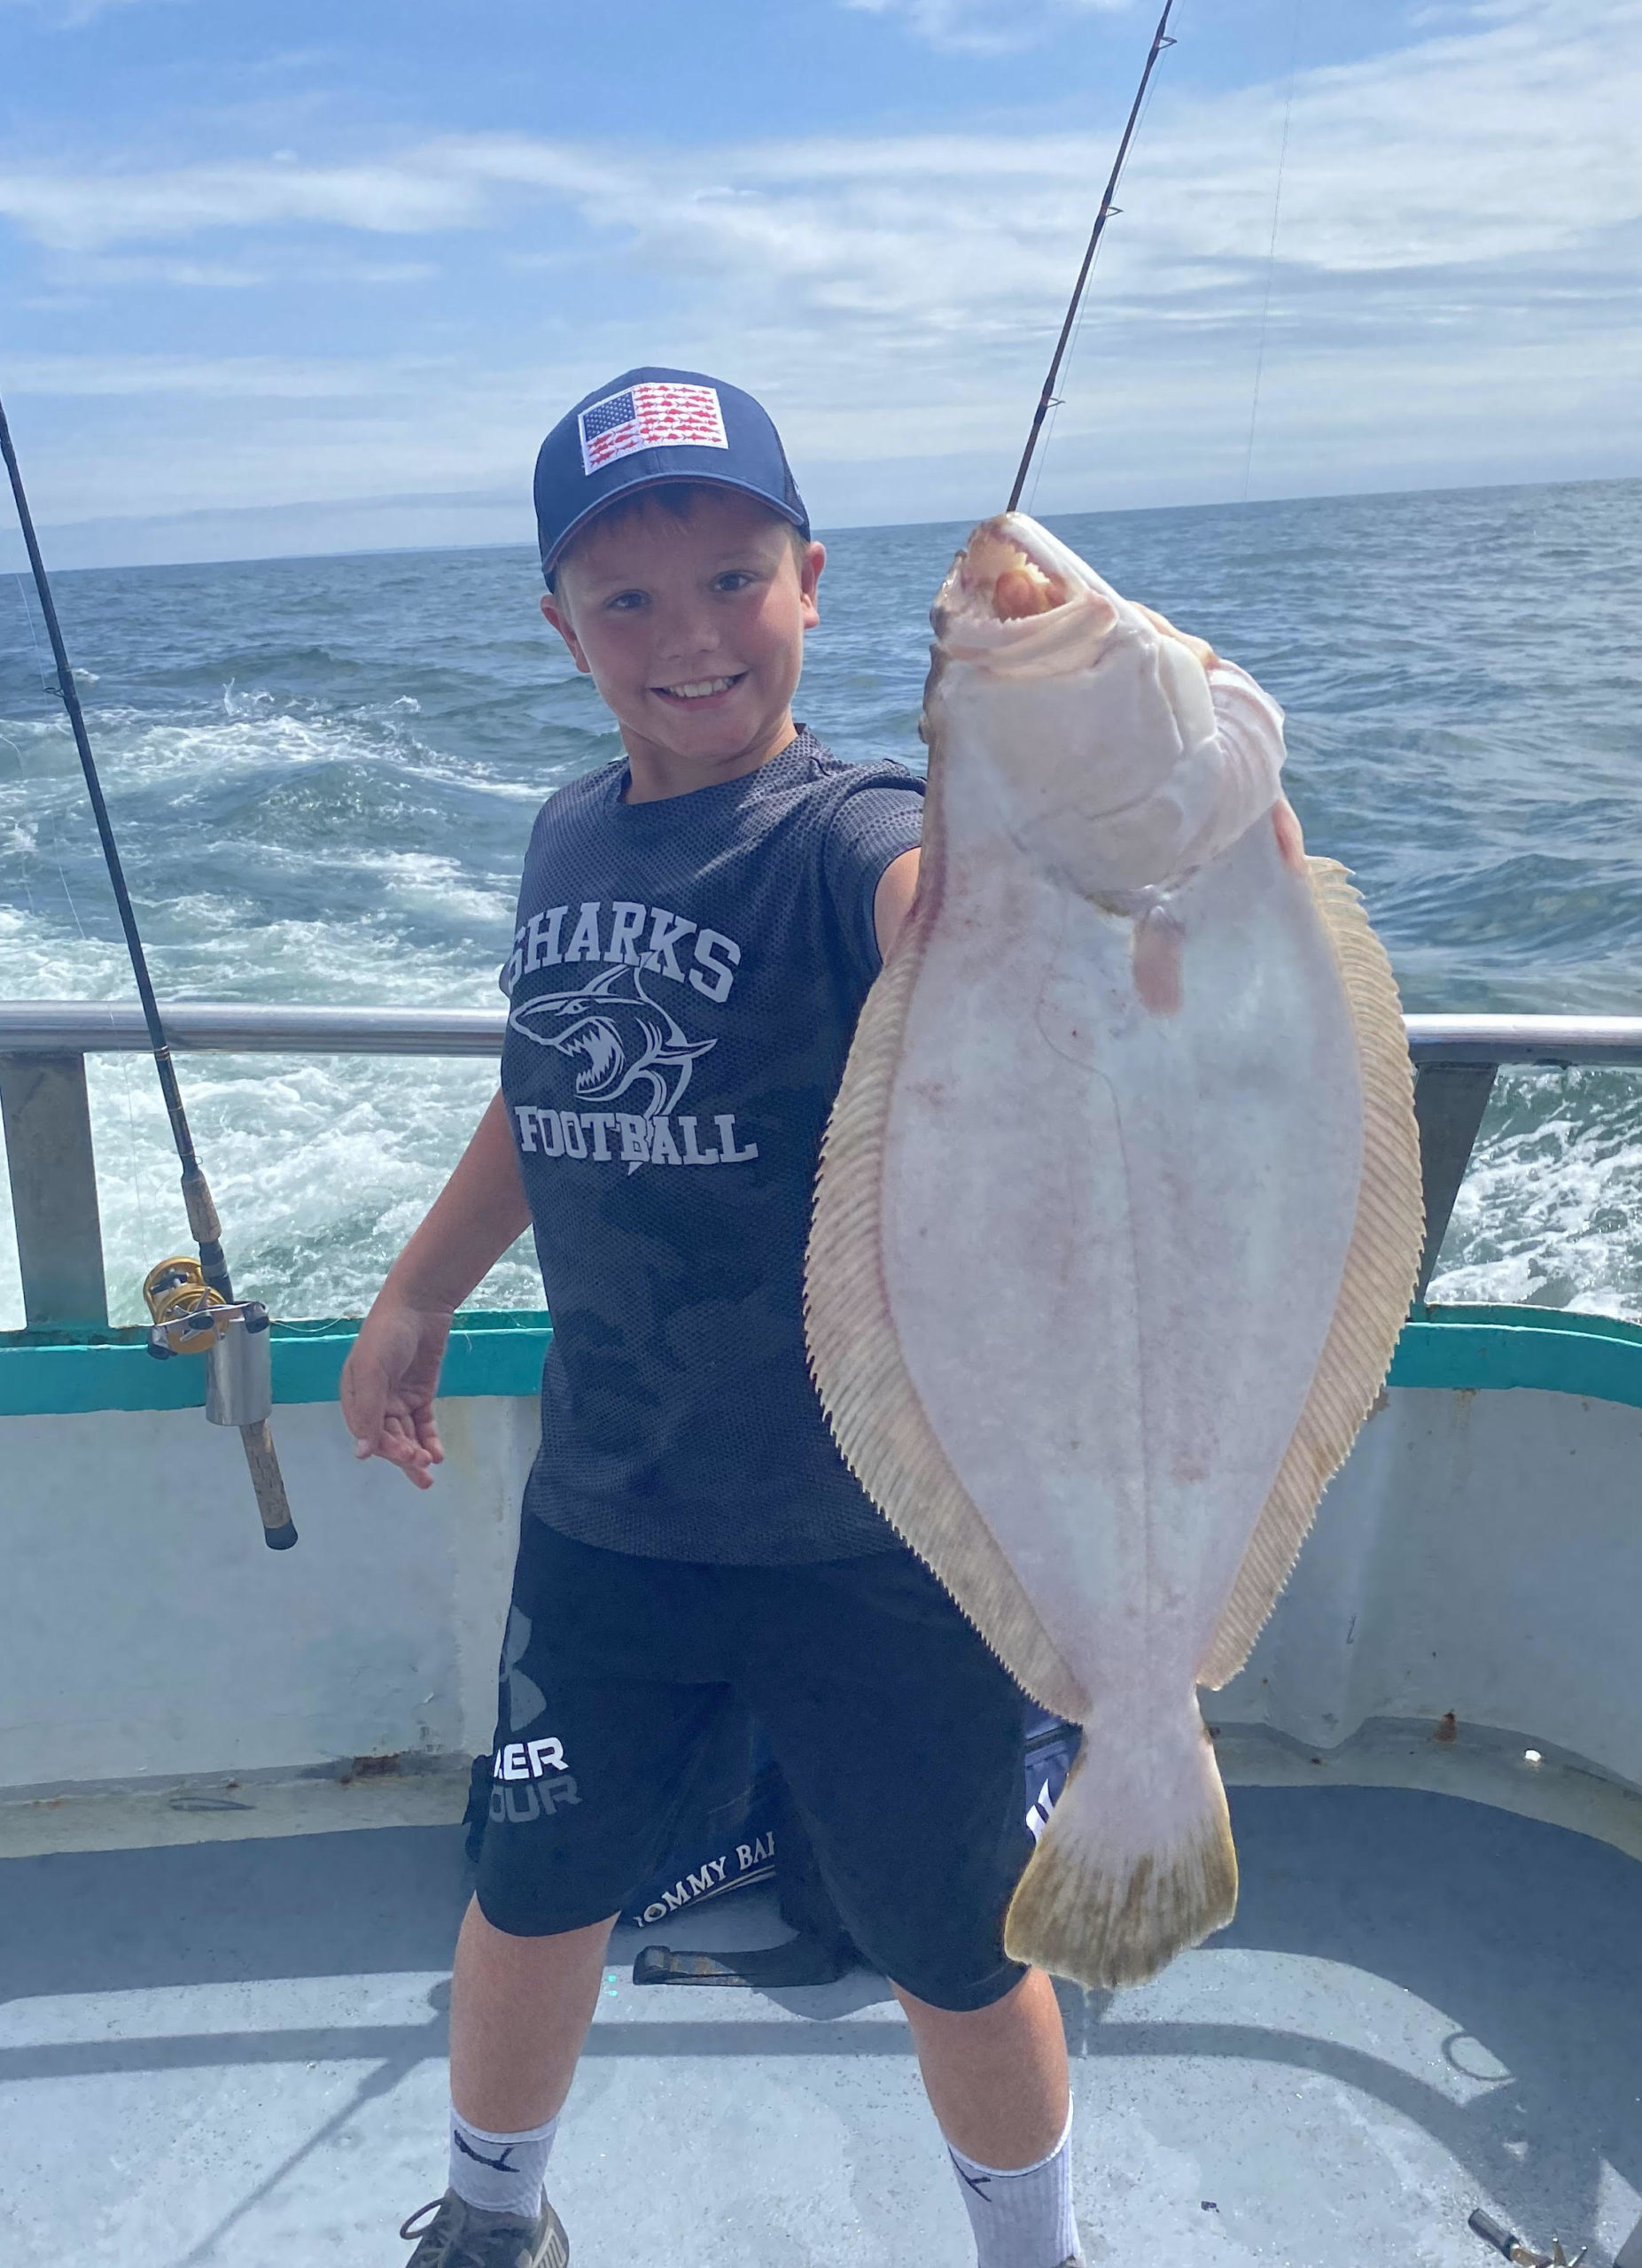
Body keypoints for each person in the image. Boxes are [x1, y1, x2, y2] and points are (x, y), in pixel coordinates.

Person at [342, 367, 1082, 2268]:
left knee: (956, 1935)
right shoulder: (567, 838)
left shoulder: (856, 831)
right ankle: (494, 2217)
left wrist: (1030, 797)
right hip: (613, 1512)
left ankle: (1035, 2245)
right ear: (559, 624)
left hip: (881, 1534)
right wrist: (423, 1285)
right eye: (628, 600)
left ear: (815, 581)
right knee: (532, 1888)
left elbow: (956, 921)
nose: (690, 637)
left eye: (735, 577)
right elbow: (545, 1082)